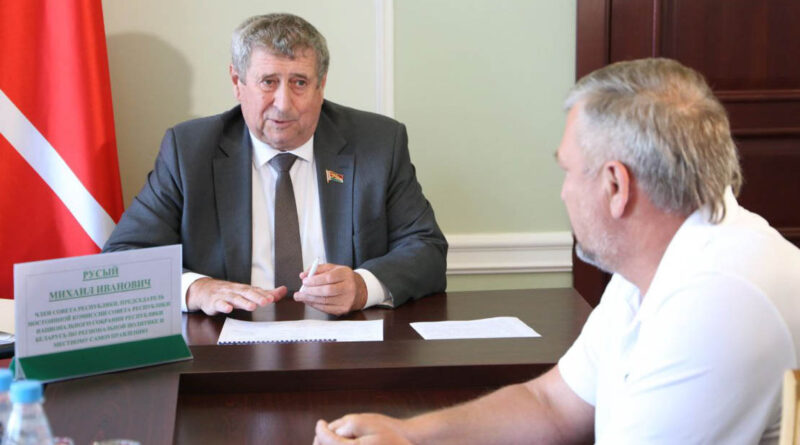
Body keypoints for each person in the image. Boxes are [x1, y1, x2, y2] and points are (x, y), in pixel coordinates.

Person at [313, 58, 800, 444]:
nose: (563, 192)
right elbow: (552, 404)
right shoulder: (655, 264)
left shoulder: (716, 301)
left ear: (615, 185)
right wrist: (408, 434)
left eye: (567, 170)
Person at [103, 14, 447, 316]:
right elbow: (122, 257)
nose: (283, 104)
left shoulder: (377, 143)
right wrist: (196, 289)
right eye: (268, 82)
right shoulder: (190, 151)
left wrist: (361, 286)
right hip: (228, 343)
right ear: (237, 83)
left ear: (321, 86)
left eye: (300, 83)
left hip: (348, 342)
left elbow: (427, 250)